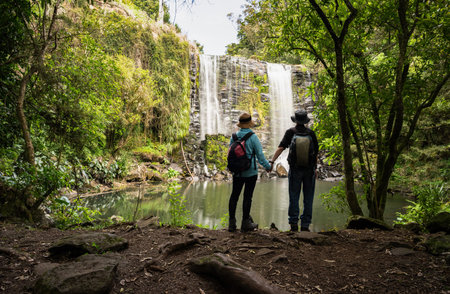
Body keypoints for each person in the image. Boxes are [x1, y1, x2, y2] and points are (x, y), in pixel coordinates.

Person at [270, 110, 318, 232]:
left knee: (294, 196)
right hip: (309, 170)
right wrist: (315, 168)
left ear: (295, 121)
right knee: (308, 197)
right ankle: (306, 225)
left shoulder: (290, 132)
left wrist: (272, 161)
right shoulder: (311, 133)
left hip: (295, 169)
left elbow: (281, 147)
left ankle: (293, 224)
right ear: (306, 121)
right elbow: (315, 153)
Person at [228, 112, 272, 232]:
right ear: (249, 124)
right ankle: (245, 223)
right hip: (250, 172)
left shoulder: (234, 136)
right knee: (247, 197)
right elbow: (260, 156)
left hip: (237, 172)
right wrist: (268, 166)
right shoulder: (253, 137)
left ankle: (231, 223)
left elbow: (230, 153)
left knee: (234, 196)